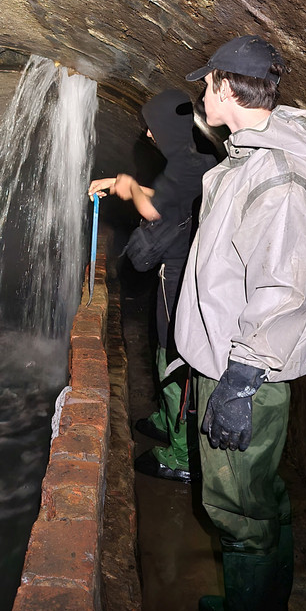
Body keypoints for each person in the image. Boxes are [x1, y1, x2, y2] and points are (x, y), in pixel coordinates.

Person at [176, 35, 306, 611]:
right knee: (257, 498)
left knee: (239, 507)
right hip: (229, 359)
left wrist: (241, 378)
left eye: (206, 84)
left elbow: (280, 285)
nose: (201, 95)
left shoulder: (279, 176)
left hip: (246, 370)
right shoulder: (248, 161)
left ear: (225, 86)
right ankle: (256, 610)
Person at [88, 88, 215, 483]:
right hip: (175, 276)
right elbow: (164, 198)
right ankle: (165, 419)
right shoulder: (192, 162)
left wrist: (125, 186)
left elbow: (155, 208)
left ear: (166, 128)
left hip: (180, 280)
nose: (146, 135)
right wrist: (117, 181)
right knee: (162, 348)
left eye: (152, 127)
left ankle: (181, 457)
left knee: (176, 358)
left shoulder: (189, 167)